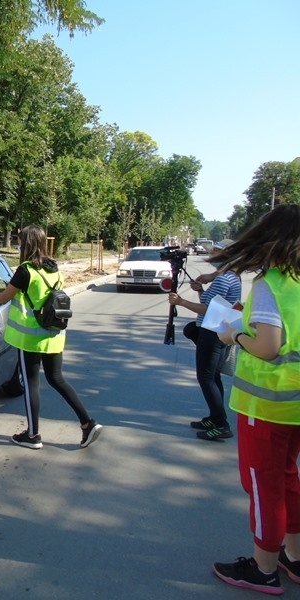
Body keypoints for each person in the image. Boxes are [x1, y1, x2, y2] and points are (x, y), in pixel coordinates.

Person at [206, 203, 300, 595]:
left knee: (264, 487)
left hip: (267, 404)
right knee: (289, 479)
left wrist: (234, 335)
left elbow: (267, 346)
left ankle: (262, 568)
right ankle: (294, 558)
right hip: (294, 404)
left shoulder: (270, 283)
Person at [0, 224, 102, 449]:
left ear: (25, 243)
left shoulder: (25, 271)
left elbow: (2, 298)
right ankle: (88, 423)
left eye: (20, 241)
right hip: (53, 334)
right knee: (57, 379)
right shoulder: (54, 268)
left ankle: (32, 435)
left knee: (31, 385)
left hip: (29, 338)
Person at [168, 240, 241, 441]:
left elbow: (208, 309)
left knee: (206, 378)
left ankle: (221, 424)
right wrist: (200, 289)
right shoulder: (231, 276)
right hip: (218, 329)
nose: (213, 256)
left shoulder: (223, 279)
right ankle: (215, 416)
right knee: (213, 376)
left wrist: (181, 302)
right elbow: (210, 303)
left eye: (217, 252)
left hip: (212, 331)